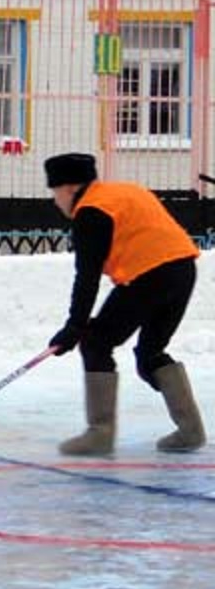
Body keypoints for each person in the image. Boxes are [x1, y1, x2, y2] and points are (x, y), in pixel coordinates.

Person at [45, 152, 204, 455]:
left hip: (149, 275)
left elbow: (87, 276)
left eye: (54, 193)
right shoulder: (125, 191)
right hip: (183, 269)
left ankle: (100, 433)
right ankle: (190, 430)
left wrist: (75, 327)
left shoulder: (91, 211)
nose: (55, 202)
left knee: (95, 342)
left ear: (68, 188)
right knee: (150, 353)